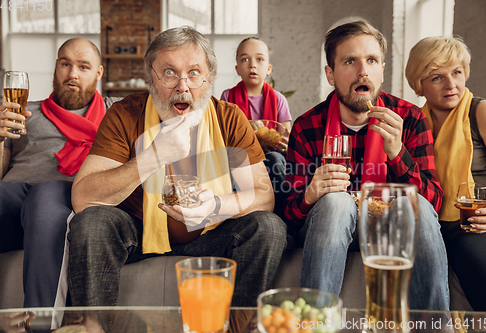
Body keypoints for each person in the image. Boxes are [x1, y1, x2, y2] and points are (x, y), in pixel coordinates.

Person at [67, 26, 287, 307]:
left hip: (211, 235)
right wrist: (153, 156)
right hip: (138, 231)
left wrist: (217, 206)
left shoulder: (229, 118)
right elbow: (83, 197)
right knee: (92, 222)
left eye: (194, 73)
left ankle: (238, 327)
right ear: (151, 78)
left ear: (209, 79)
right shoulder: (125, 114)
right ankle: (91, 327)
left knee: (268, 227)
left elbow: (263, 195)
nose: (183, 86)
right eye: (169, 72)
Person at [283, 21, 449, 310]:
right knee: (336, 202)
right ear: (330, 74)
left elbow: (433, 202)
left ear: (382, 70)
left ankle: (435, 330)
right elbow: (286, 216)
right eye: (350, 61)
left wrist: (397, 153)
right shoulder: (308, 126)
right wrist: (310, 194)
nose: (363, 71)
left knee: (418, 205)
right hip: (331, 225)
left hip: (390, 225)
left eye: (372, 60)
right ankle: (315, 323)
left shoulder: (408, 119)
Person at [0, 37, 119, 307]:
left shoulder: (115, 114)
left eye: (83, 67)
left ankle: (41, 322)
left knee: (45, 192)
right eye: (65, 64)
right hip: (14, 198)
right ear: (56, 67)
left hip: (63, 199)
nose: (72, 74)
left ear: (99, 73)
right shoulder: (21, 112)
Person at [406, 36, 486, 311]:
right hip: (444, 222)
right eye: (437, 77)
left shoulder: (481, 111)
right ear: (419, 85)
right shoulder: (413, 123)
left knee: (473, 251)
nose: (451, 85)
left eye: (457, 73)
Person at [220, 37, 292, 201]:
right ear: (237, 68)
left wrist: (283, 142)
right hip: (240, 158)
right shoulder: (227, 96)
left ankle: (282, 206)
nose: (252, 64)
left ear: (268, 68)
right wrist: (245, 126)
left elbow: (288, 139)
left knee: (274, 159)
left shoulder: (279, 99)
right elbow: (222, 135)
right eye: (245, 59)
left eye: (259, 59)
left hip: (272, 157)